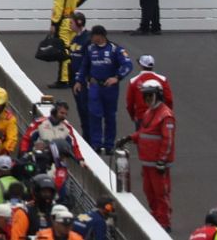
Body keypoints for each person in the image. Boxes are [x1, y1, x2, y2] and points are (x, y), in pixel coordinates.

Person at [117, 80, 175, 228]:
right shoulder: (149, 113)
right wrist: (129, 138)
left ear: (158, 95)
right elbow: (144, 133)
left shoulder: (166, 115)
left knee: (161, 193)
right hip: (147, 162)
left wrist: (162, 160)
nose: (147, 99)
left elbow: (168, 140)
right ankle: (156, 216)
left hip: (157, 163)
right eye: (145, 96)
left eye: (150, 95)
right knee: (149, 192)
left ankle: (164, 221)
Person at [71, 24, 131, 152]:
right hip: (94, 86)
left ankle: (109, 145)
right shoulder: (90, 49)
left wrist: (117, 77)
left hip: (110, 88)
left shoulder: (115, 49)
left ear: (100, 36)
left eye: (93, 35)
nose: (91, 38)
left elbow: (127, 65)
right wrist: (78, 81)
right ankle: (96, 144)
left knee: (110, 116)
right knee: (94, 115)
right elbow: (84, 66)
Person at [48, 0, 88, 87]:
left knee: (63, 50)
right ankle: (72, 76)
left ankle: (63, 79)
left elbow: (58, 6)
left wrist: (54, 23)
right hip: (73, 18)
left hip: (64, 21)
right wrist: (73, 6)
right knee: (71, 49)